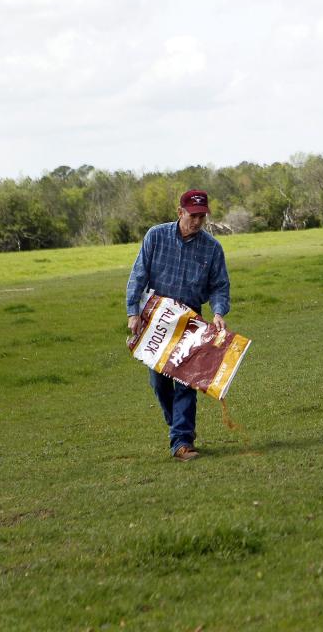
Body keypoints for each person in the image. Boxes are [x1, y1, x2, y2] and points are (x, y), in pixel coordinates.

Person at [126, 190, 230, 461]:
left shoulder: (212, 248)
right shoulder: (155, 236)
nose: (197, 221)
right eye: (193, 215)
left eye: (202, 216)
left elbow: (220, 286)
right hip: (157, 319)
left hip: (190, 321)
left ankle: (182, 441)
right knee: (159, 381)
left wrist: (218, 312)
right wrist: (132, 313)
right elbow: (138, 275)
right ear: (180, 212)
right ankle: (178, 429)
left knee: (185, 381)